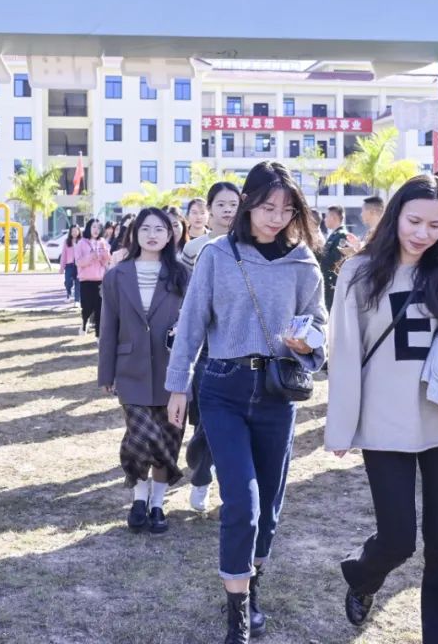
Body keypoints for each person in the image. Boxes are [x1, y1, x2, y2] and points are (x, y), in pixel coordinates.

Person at [324, 175, 438, 642]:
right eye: (414, 221)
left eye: (435, 225)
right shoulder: (358, 272)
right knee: (398, 539)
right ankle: (363, 575)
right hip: (384, 421)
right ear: (395, 215)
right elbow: (343, 354)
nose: (423, 233)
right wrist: (340, 427)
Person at [166, 162, 326, 643]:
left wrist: (307, 343)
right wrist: (178, 385)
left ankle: (252, 588)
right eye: (265, 206)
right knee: (243, 503)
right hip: (222, 388)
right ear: (248, 203)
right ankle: (237, 615)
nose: (275, 217)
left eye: (286, 208)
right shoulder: (218, 255)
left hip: (278, 395)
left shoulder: (303, 262)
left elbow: (319, 326)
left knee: (271, 509)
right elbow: (192, 321)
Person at [99, 208, 189, 534]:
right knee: (140, 438)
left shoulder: (183, 274)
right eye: (145, 228)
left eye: (160, 229)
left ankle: (157, 504)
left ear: (170, 234)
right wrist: (105, 374)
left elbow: (194, 324)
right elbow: (108, 327)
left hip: (173, 373)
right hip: (130, 370)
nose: (152, 234)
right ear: (135, 233)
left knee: (167, 441)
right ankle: (139, 496)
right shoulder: (117, 275)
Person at [177, 181, 241, 513]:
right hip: (205, 348)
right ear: (209, 210)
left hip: (239, 346)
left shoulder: (251, 247)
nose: (228, 210)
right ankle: (201, 476)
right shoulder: (195, 249)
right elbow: (184, 299)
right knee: (206, 421)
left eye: (234, 203)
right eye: (221, 204)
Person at [74, 218, 111, 337]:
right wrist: (90, 257)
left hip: (100, 281)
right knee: (86, 307)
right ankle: (84, 322)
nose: (96, 230)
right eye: (94, 227)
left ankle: (98, 336)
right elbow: (78, 262)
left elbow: (107, 261)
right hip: (86, 281)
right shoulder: (81, 243)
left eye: (98, 228)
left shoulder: (103, 242)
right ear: (89, 228)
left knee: (99, 309)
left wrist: (105, 253)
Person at [320, 205, 350, 311]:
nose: (324, 219)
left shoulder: (341, 235)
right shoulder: (334, 235)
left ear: (333, 217)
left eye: (326, 216)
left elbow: (337, 260)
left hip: (333, 282)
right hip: (328, 281)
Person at [59, 224, 82, 302]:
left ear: (79, 231)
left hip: (79, 265)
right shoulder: (67, 241)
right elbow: (63, 255)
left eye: (76, 231)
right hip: (69, 265)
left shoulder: (82, 241)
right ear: (70, 232)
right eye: (73, 231)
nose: (75, 233)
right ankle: (69, 292)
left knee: (78, 283)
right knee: (68, 281)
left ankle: (76, 301)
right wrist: (61, 268)